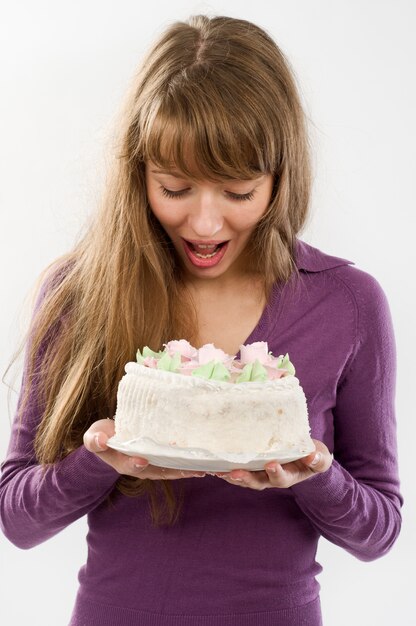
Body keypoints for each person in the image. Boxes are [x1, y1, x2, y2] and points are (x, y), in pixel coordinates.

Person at [0, 14, 402, 626]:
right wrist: (99, 459)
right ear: (138, 173)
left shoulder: (346, 303)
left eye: (238, 193)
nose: (206, 224)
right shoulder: (81, 292)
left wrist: (317, 473)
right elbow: (17, 519)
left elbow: (379, 533)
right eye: (175, 187)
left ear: (280, 178)